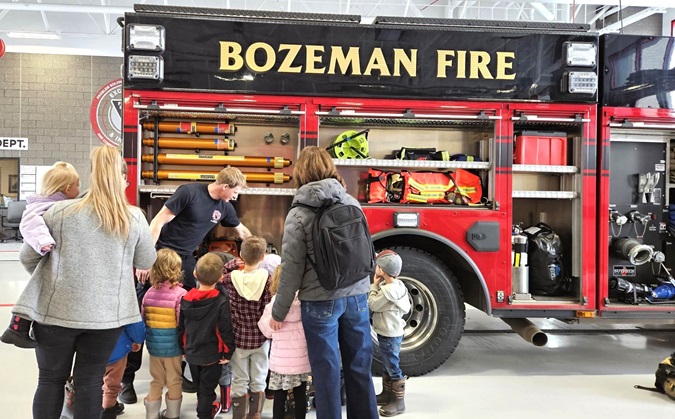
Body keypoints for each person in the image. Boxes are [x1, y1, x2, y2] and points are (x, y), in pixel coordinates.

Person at [12, 146, 157, 418]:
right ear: (122, 179)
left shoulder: (59, 212)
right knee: (90, 382)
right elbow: (146, 260)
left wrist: (57, 280)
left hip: (55, 315)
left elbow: (28, 257)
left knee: (50, 380)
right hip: (106, 318)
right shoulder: (133, 217)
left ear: (91, 174)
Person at [122, 166, 253, 401]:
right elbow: (158, 221)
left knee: (192, 311)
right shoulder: (189, 193)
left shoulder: (224, 207)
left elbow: (241, 231)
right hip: (161, 254)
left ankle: (185, 371)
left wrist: (257, 255)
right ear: (225, 186)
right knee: (140, 313)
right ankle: (126, 381)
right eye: (235, 191)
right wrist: (146, 259)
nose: (236, 196)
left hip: (185, 259)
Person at [269, 146, 379, 419]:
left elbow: (292, 269)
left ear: (300, 172)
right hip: (356, 296)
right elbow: (366, 249)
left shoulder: (298, 214)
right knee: (359, 364)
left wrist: (278, 311)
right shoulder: (351, 202)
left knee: (326, 370)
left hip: (319, 301)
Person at [1, 161, 80, 349]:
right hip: (41, 250)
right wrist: (43, 241)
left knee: (41, 286)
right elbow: (30, 225)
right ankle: (16, 328)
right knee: (42, 283)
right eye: (77, 185)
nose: (79, 189)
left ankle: (17, 328)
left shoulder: (58, 205)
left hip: (44, 255)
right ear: (67, 189)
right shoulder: (44, 207)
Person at [178, 252, 236, 419]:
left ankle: (204, 407)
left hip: (191, 352)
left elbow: (181, 327)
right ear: (220, 278)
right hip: (213, 356)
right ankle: (204, 414)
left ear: (195, 273)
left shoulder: (185, 299)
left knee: (199, 386)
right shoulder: (221, 302)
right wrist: (228, 352)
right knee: (207, 389)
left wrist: (182, 348)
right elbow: (225, 330)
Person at [222, 236, 274, 419]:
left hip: (239, 339)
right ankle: (255, 415)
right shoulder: (268, 280)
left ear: (241, 255)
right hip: (261, 339)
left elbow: (221, 271)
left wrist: (236, 262)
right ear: (263, 257)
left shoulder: (230, 279)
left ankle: (239, 415)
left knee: (239, 378)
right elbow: (268, 310)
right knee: (259, 377)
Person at [258, 266, 311, 419]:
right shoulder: (304, 301)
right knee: (300, 395)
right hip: (300, 359)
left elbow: (266, 331)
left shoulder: (274, 304)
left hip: (280, 362)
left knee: (279, 396)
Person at [141, 248, 188, 419]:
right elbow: (181, 324)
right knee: (174, 380)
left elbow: (144, 320)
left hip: (154, 348)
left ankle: (151, 415)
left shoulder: (148, 294)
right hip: (173, 349)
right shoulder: (181, 295)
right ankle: (172, 415)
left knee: (156, 381)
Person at [368, 250, 410, 417]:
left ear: (382, 271)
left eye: (378, 266)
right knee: (388, 363)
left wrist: (373, 285)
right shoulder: (398, 286)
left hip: (389, 333)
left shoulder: (387, 292)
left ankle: (399, 402)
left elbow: (372, 304)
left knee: (392, 366)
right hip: (392, 331)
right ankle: (387, 395)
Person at [100, 320, 145, 419]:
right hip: (117, 350)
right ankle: (107, 412)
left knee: (92, 384)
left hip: (90, 349)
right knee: (111, 387)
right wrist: (138, 340)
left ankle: (96, 408)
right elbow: (133, 322)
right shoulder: (123, 303)